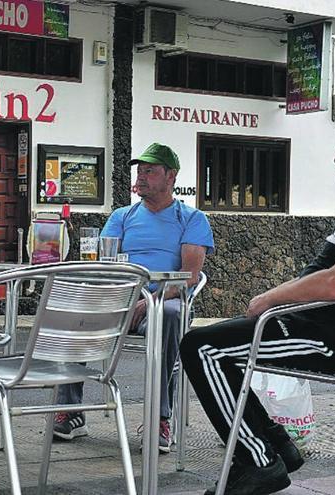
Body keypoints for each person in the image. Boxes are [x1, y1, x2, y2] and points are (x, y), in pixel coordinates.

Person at [179, 114, 335, 495]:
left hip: (330, 341)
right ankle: (277, 445)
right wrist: (277, 303)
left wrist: (269, 298)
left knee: (203, 348)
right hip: (305, 326)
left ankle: (259, 462)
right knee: (210, 342)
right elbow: (323, 275)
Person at [53, 143, 214, 455]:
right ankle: (71, 411)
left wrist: (148, 301)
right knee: (77, 311)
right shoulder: (122, 216)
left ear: (171, 176)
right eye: (140, 171)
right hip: (122, 299)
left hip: (163, 300)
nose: (141, 177)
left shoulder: (191, 218)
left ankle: (160, 418)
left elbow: (189, 277)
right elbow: (105, 266)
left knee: (167, 314)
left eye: (150, 171)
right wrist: (123, 299)